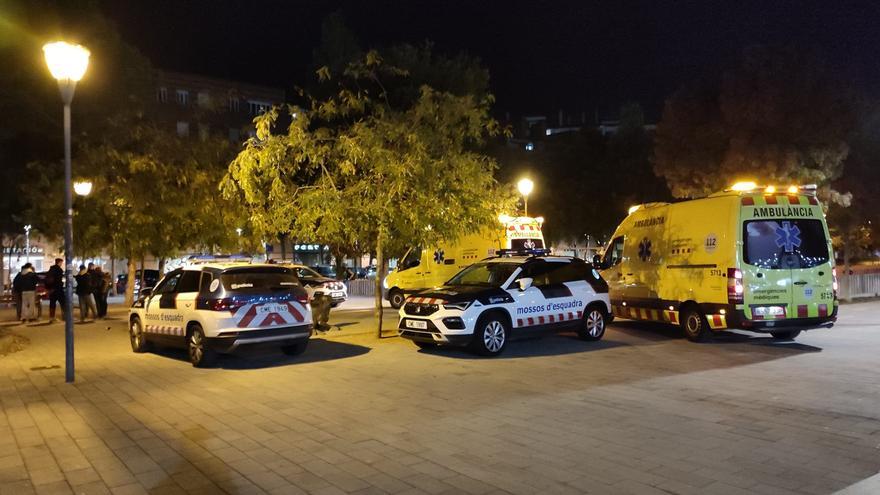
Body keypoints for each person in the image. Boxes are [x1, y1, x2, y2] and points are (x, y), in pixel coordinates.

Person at [46, 258, 66, 322]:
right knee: (63, 303)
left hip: (52, 290)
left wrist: (50, 288)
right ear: (59, 262)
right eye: (61, 263)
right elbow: (58, 280)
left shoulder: (51, 269)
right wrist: (61, 284)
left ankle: (51, 317)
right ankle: (65, 316)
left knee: (52, 303)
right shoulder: (59, 270)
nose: (62, 264)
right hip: (58, 289)